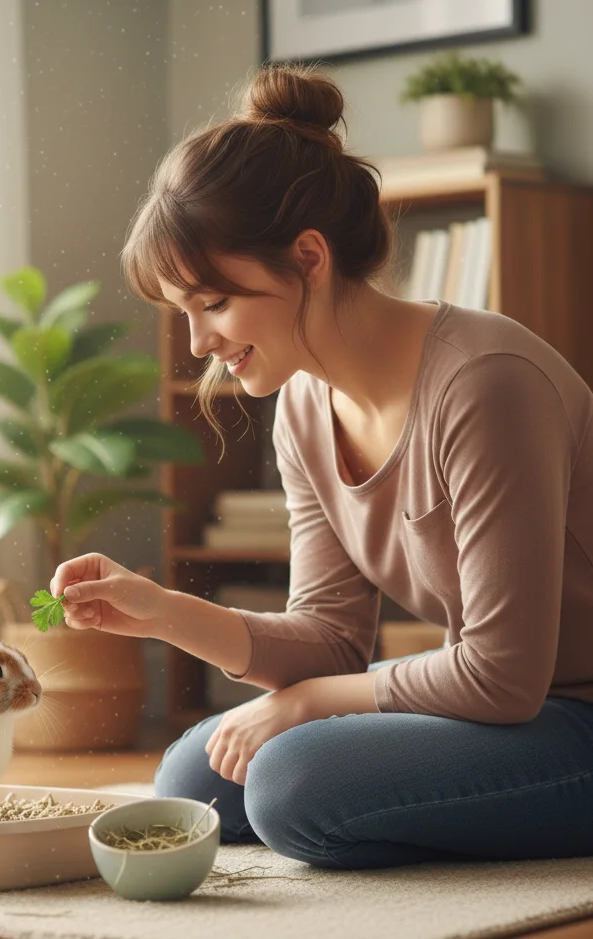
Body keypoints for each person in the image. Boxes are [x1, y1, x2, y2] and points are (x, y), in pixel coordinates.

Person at [48, 63, 593, 870]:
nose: (199, 343)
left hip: (569, 713)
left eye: (215, 303)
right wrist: (162, 611)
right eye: (185, 312)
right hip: (506, 714)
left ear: (308, 257)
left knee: (290, 785)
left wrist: (304, 706)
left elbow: (502, 676)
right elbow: (334, 637)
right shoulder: (303, 406)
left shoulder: (485, 383)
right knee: (196, 778)